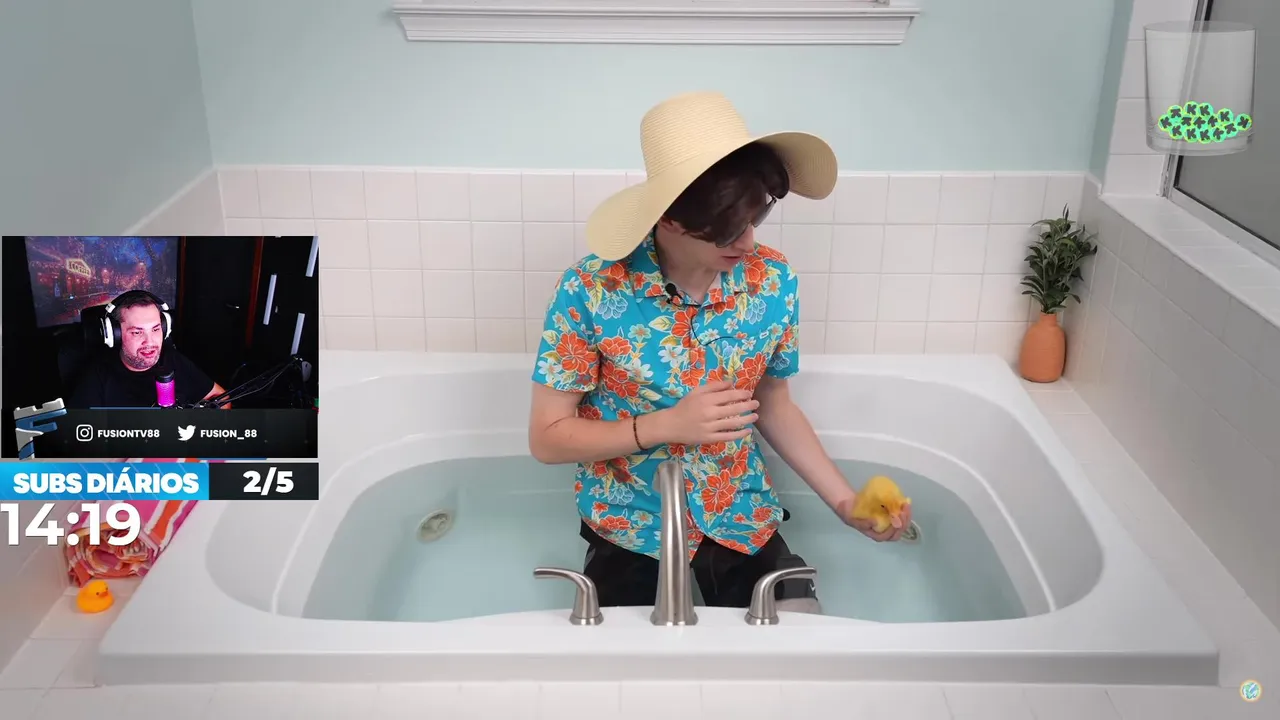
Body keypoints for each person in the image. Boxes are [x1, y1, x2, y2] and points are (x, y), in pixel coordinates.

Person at [527, 91, 912, 609]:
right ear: (668, 219)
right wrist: (665, 426)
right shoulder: (592, 289)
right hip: (629, 519)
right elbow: (547, 438)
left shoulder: (771, 280)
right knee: (619, 652)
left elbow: (773, 404)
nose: (748, 243)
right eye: (728, 230)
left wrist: (845, 502)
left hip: (738, 510)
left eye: (756, 220)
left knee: (800, 633)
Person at [68, 290, 230, 409]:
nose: (150, 342)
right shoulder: (97, 377)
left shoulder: (173, 359)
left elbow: (223, 399)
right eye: (137, 332)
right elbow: (79, 435)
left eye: (155, 329)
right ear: (114, 335)